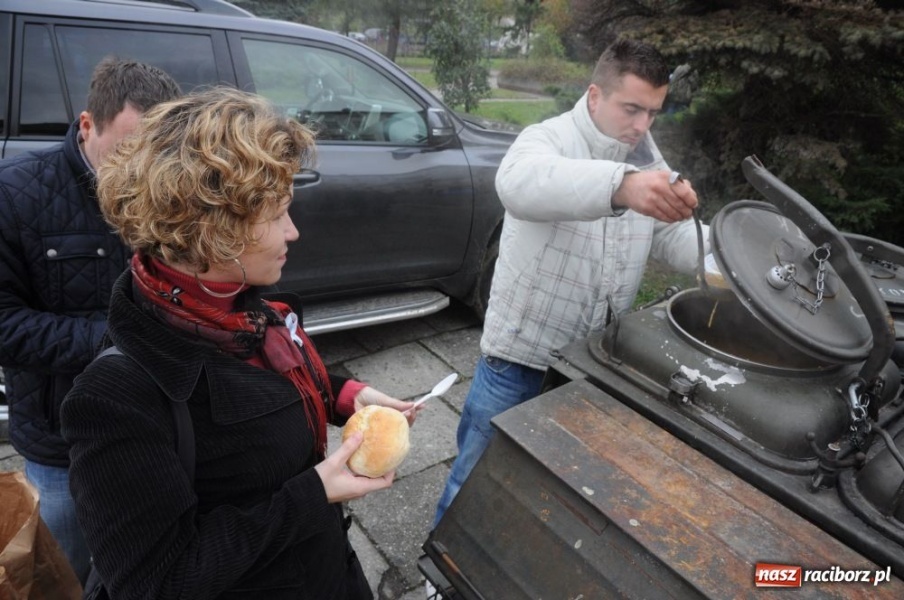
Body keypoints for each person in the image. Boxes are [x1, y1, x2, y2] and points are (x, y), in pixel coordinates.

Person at [60, 86, 420, 599]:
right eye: (275, 216)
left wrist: (342, 396)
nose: (292, 231)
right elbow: (156, 583)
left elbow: (263, 385)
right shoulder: (115, 401)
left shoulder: (239, 305)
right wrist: (313, 494)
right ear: (212, 232)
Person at [432, 39, 708, 528]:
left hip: (591, 361)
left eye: (653, 112)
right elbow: (518, 183)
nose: (643, 125)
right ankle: (441, 579)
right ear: (595, 96)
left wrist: (732, 261)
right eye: (632, 108)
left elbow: (672, 234)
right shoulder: (548, 138)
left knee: (549, 483)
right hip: (519, 357)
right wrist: (621, 185)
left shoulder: (647, 156)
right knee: (474, 475)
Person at [0, 57, 181, 583]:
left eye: (155, 150)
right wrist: (120, 340)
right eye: (127, 147)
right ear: (87, 126)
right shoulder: (14, 196)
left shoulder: (167, 188)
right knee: (61, 574)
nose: (140, 168)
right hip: (63, 444)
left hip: (152, 429)